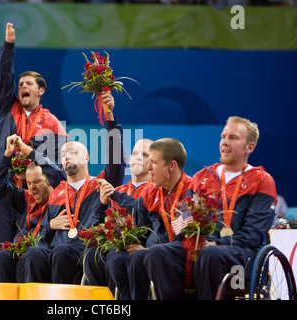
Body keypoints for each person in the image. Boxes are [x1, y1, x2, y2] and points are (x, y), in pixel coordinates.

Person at [144, 116, 277, 300]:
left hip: (240, 254)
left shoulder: (261, 180)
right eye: (223, 136)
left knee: (210, 254)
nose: (225, 142)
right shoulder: (202, 177)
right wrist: (191, 238)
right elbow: (183, 219)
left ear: (250, 147)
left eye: (233, 138)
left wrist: (216, 243)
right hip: (202, 249)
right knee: (158, 253)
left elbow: (254, 235)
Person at [0, 21, 68, 282]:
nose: (22, 86)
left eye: (28, 83)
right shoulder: (7, 109)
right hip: (7, 187)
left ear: (40, 91)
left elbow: (56, 163)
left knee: (29, 245)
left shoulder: (52, 123)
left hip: (34, 192)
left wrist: (29, 150)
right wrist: (8, 45)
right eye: (20, 84)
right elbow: (4, 75)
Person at [17, 94, 125, 284]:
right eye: (64, 154)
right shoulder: (57, 192)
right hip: (56, 248)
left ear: (87, 158)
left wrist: (110, 120)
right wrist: (49, 226)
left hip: (82, 248)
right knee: (33, 252)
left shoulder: (99, 184)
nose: (67, 157)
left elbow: (116, 162)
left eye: (73, 152)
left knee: (61, 252)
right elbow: (45, 234)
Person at [97, 137, 192, 299]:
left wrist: (149, 250)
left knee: (148, 254)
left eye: (153, 162)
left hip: (182, 253)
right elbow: (140, 224)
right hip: (153, 252)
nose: (148, 167)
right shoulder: (151, 192)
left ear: (172, 166)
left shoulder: (192, 189)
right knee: (119, 258)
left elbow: (188, 238)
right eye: (135, 154)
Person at [83, 138, 153, 287]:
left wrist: (114, 195)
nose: (139, 157)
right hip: (115, 246)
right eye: (135, 153)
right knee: (91, 255)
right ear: (129, 159)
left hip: (139, 246)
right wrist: (102, 204)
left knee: (116, 258)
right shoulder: (119, 190)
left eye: (145, 155)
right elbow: (98, 222)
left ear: (153, 162)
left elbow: (140, 210)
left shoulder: (153, 189)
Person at [0, 134, 55, 282]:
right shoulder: (26, 198)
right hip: (24, 252)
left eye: (37, 182)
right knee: (3, 255)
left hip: (43, 254)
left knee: (32, 253)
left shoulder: (59, 199)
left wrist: (29, 152)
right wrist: (7, 155)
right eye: (29, 183)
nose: (32, 188)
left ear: (49, 182)